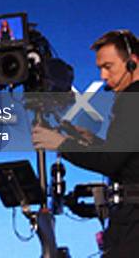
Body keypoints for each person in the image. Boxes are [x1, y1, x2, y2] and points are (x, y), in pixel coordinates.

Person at [32, 29, 139, 257]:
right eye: (100, 68)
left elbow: (109, 161)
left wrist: (61, 143)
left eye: (108, 67)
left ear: (132, 62)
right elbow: (127, 157)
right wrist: (90, 140)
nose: (102, 76)